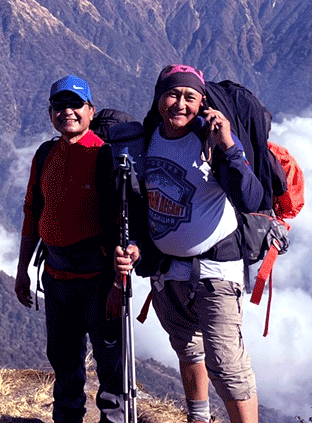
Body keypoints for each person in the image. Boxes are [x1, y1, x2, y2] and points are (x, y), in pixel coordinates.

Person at [115, 64, 266, 423]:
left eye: (190, 97)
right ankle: (198, 418)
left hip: (216, 268)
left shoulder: (211, 140)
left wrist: (228, 145)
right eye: (172, 94)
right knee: (187, 348)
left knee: (226, 364)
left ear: (202, 102)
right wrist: (137, 247)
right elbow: (143, 202)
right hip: (168, 270)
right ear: (158, 98)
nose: (180, 104)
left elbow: (251, 198)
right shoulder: (146, 139)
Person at [15, 75, 126, 423]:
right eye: (59, 106)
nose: (67, 112)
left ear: (91, 110)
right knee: (63, 364)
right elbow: (33, 210)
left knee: (111, 369)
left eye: (76, 105)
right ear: (50, 113)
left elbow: (122, 224)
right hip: (56, 277)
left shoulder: (105, 156)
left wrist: (117, 285)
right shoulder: (46, 153)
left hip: (99, 279)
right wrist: (22, 271)